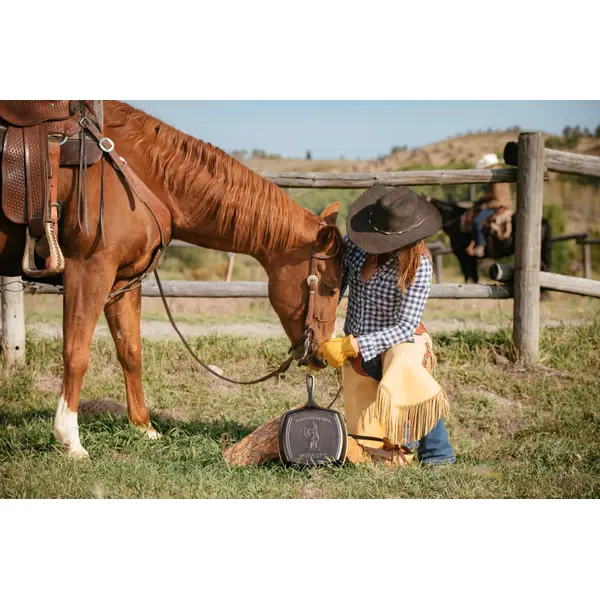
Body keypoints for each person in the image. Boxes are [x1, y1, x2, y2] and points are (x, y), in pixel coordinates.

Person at [317, 186, 455, 467]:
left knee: (402, 365)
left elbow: (406, 326)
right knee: (368, 454)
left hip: (402, 341)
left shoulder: (419, 266)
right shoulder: (356, 246)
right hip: (357, 344)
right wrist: (322, 336)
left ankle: (436, 454)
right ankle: (415, 449)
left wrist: (355, 345)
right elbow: (336, 288)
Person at [467, 153, 513, 258]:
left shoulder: (495, 174)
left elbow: (495, 195)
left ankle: (480, 245)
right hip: (505, 202)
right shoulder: (502, 171)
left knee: (477, 220)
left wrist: (483, 202)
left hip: (497, 203)